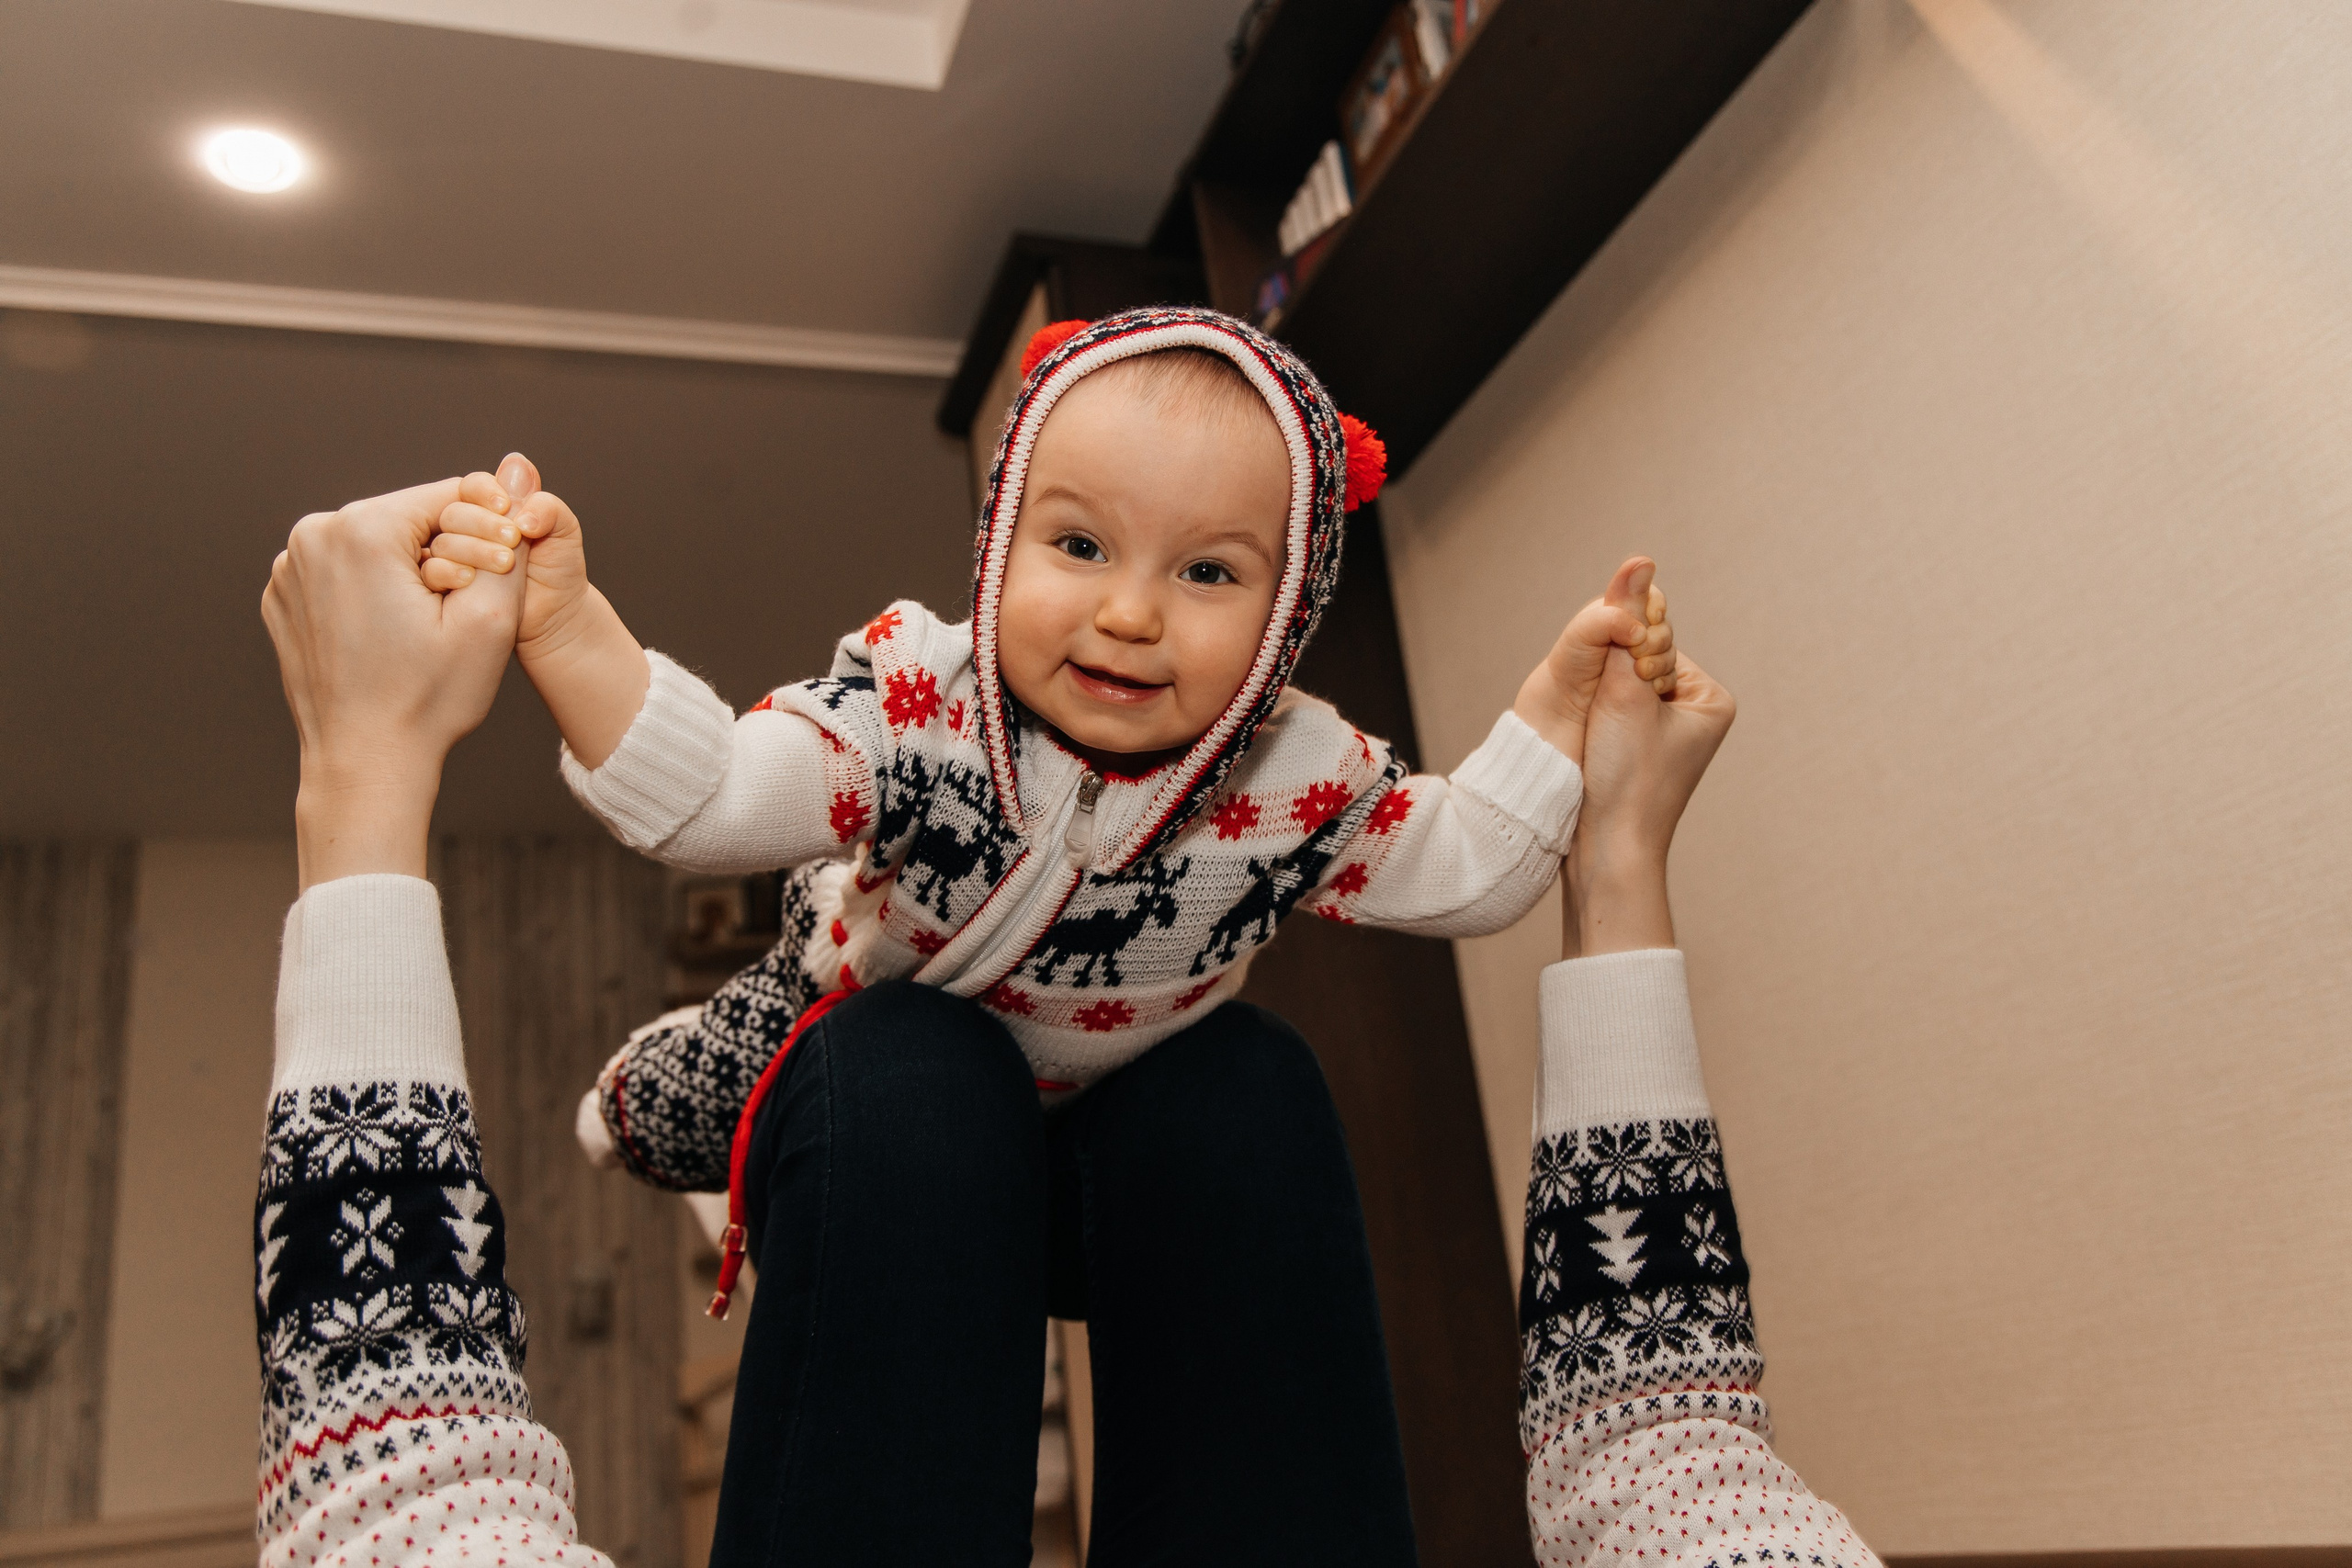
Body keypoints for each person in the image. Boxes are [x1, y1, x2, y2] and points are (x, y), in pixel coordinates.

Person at [252, 473, 1879, 1566]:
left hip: (1083, 1063)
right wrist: (579, 639)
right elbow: (1667, 1468)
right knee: (1041, 1063)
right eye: (1079, 547)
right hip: (886, 965)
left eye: (1213, 573)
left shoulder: (1293, 772)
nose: (1128, 614)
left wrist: (364, 768)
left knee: (999, 1084)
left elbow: (404, 1503)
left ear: (1286, 617)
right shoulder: (921, 704)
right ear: (997, 558)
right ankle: (664, 1094)